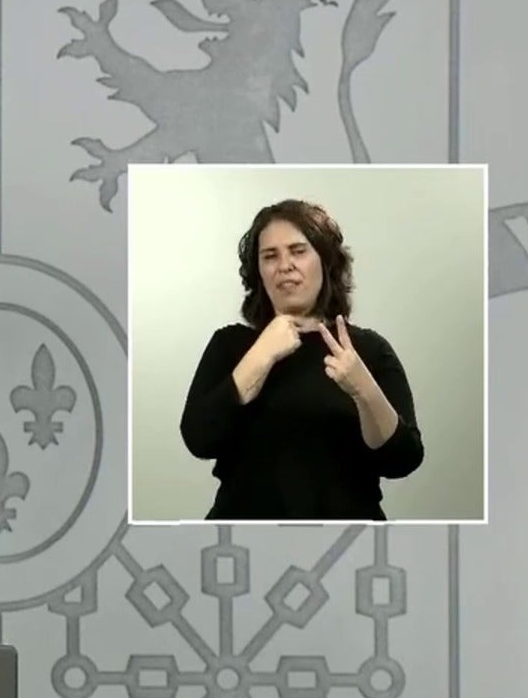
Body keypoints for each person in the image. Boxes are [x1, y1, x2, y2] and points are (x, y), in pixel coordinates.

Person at [178, 199, 424, 520]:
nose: (285, 265)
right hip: (243, 534)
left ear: (325, 261)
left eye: (298, 251)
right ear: (259, 272)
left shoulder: (368, 350)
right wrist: (260, 355)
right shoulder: (230, 345)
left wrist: (363, 389)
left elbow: (403, 460)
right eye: (270, 256)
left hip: (346, 536)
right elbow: (199, 438)